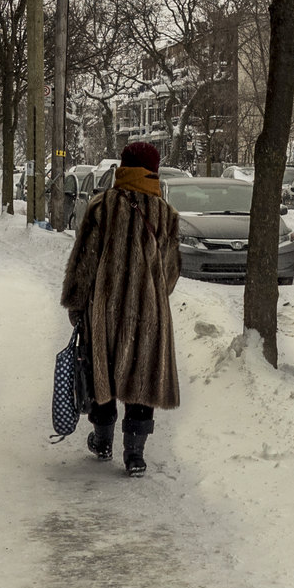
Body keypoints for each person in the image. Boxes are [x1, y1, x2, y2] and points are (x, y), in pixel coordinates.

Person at [59, 142, 181, 476]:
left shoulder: (103, 207)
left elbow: (84, 262)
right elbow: (170, 273)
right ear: (154, 172)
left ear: (123, 168)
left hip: (105, 311)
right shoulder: (166, 214)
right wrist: (151, 292)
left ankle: (102, 441)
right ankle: (135, 454)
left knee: (104, 373)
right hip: (149, 313)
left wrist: (77, 303)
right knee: (140, 375)